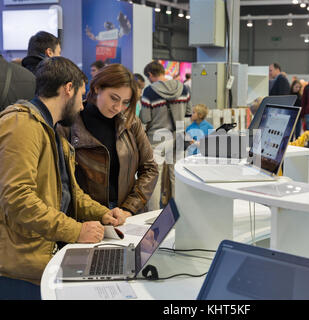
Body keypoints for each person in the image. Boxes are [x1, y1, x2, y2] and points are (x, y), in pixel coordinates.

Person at [0, 57, 127, 299]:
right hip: (21, 271)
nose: (82, 105)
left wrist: (102, 213)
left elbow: (70, 193)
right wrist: (76, 230)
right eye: (81, 95)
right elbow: (18, 200)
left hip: (46, 258)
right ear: (68, 89)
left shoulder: (51, 130)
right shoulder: (21, 125)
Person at [58, 64, 158, 216]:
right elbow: (62, 182)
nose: (118, 107)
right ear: (97, 88)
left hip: (126, 215)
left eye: (125, 102)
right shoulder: (68, 124)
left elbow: (149, 168)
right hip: (85, 218)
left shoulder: (131, 122)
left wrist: (129, 208)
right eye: (114, 98)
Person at [140, 61, 192, 211]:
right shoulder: (184, 88)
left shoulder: (149, 91)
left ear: (150, 75)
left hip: (157, 138)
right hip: (180, 136)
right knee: (178, 177)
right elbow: (188, 113)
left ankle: (154, 215)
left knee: (155, 178)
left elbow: (145, 118)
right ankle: (179, 212)